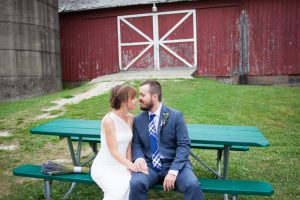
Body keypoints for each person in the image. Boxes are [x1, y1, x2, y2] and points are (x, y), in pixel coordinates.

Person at [129, 80, 205, 200]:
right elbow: (136, 144)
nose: (139, 98)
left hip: (174, 163)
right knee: (136, 183)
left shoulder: (175, 116)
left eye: (142, 95)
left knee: (192, 185)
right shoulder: (138, 120)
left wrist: (173, 171)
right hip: (149, 165)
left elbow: (184, 145)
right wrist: (139, 158)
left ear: (154, 97)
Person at [91, 85, 148, 200]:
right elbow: (113, 152)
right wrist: (133, 166)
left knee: (130, 186)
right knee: (117, 192)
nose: (136, 100)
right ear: (124, 102)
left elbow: (129, 145)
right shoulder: (109, 121)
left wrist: (129, 166)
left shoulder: (130, 118)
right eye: (133, 98)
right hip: (105, 166)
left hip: (122, 165)